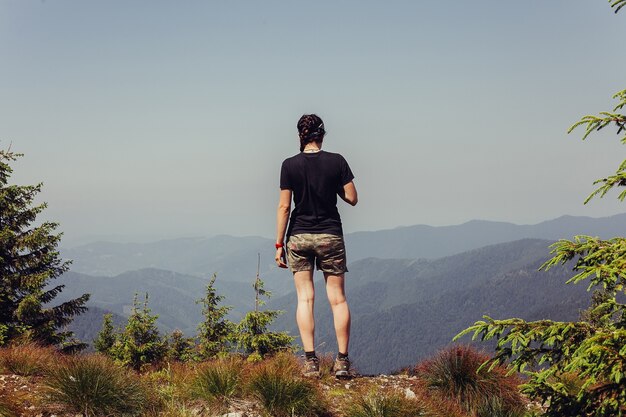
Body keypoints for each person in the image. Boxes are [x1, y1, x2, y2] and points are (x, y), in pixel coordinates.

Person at [275, 114, 358, 378]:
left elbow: (285, 206)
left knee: (305, 298)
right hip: (330, 235)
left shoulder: (289, 165)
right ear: (322, 135)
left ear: (300, 136)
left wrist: (279, 243)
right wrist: (333, 184)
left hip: (299, 236)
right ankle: (342, 361)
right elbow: (352, 198)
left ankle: (311, 362)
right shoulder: (337, 162)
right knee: (337, 299)